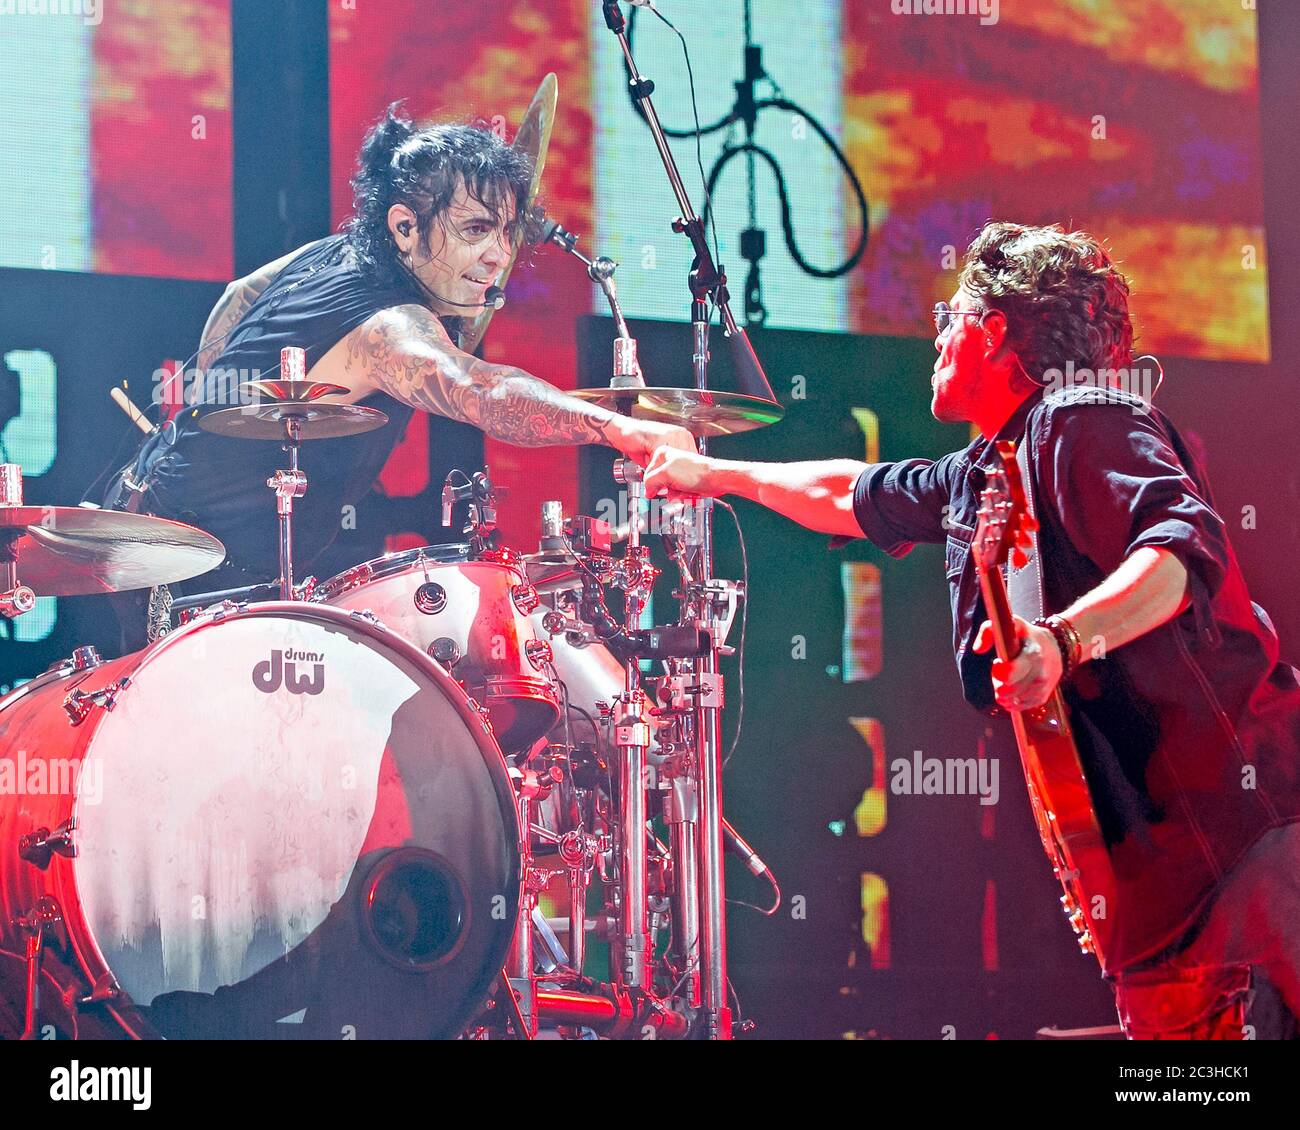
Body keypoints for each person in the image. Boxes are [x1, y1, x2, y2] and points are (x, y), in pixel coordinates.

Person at [643, 221, 1300, 1039]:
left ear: (994, 330)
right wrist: (711, 474)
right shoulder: (988, 467)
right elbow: (848, 493)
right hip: (1160, 898)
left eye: (950, 316)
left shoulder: (1083, 418)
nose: (936, 334)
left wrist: (1060, 640)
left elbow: (1176, 552)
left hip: (1249, 848)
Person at [102, 103, 694, 638]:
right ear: (405, 227)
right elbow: (478, 389)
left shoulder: (341, 250)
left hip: (148, 521)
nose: (498, 255)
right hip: (193, 576)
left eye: (507, 232)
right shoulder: (389, 327)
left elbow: (239, 294)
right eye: (476, 230)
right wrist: (618, 428)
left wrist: (212, 403)